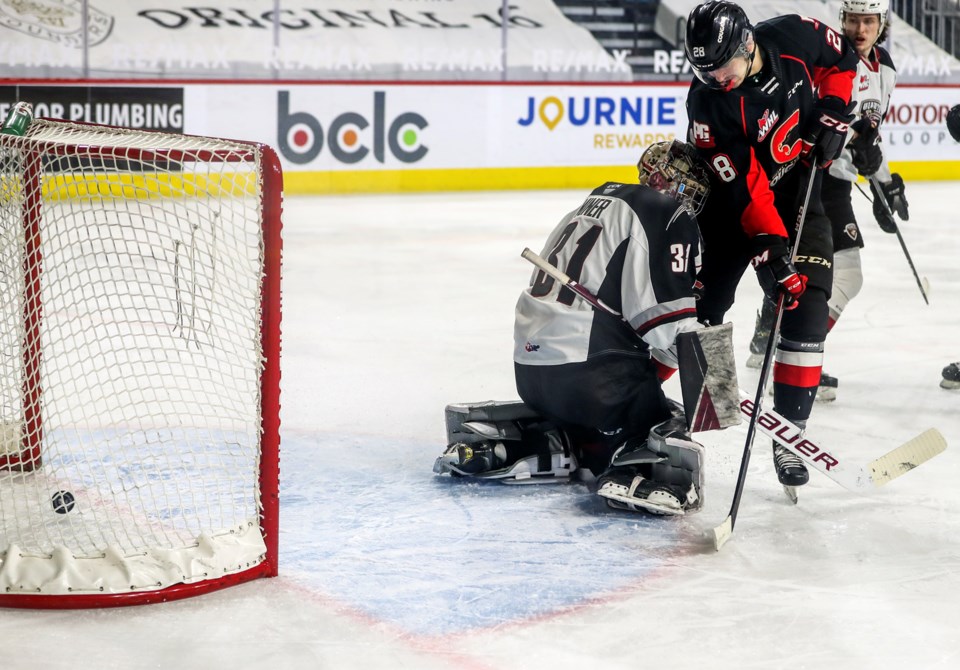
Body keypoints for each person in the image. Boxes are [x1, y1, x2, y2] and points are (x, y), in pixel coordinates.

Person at [434, 140, 737, 516]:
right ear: (663, 180)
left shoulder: (588, 207)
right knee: (664, 419)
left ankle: (540, 442)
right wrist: (717, 379)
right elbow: (668, 325)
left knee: (612, 405)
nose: (691, 198)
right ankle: (639, 469)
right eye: (688, 185)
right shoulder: (666, 212)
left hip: (531, 375)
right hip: (593, 381)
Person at [682, 1, 858, 490]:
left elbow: (842, 59)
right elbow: (745, 186)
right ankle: (659, 414)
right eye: (704, 72)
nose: (715, 79)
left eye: (721, 68)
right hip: (731, 209)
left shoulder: (793, 36)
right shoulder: (709, 104)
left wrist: (834, 112)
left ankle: (790, 438)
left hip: (800, 192)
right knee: (695, 312)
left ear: (746, 44)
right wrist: (772, 250)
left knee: (806, 303)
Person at [744, 0, 906, 403]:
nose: (860, 29)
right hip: (815, 176)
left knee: (837, 276)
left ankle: (779, 338)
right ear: (843, 21)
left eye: (869, 21)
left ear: (881, 23)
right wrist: (856, 147)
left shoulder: (885, 68)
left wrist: (884, 182)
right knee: (845, 275)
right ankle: (794, 354)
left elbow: (870, 133)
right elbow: (814, 122)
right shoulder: (826, 62)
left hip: (838, 182)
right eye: (853, 19)